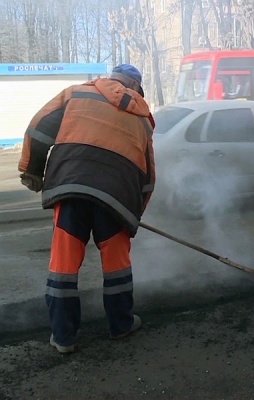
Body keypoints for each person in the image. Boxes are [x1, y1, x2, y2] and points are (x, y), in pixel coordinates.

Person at [18, 64, 155, 353]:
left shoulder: (77, 93)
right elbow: (147, 178)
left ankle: (64, 337)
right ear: (137, 88)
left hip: (71, 189)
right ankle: (121, 325)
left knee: (63, 266)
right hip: (117, 198)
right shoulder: (142, 119)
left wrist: (32, 170)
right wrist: (133, 213)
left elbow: (40, 127)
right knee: (117, 265)